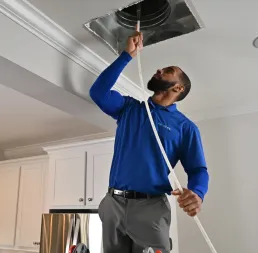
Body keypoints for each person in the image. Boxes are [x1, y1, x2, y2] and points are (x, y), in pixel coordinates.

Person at [89, 31, 210, 253]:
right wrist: (127, 55)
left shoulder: (185, 127)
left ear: (178, 88)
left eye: (168, 71)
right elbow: (98, 93)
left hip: (151, 208)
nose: (159, 70)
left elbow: (198, 169)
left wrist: (197, 193)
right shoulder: (129, 108)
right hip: (112, 203)